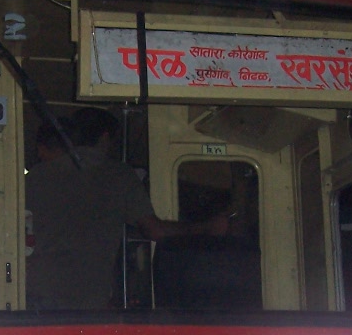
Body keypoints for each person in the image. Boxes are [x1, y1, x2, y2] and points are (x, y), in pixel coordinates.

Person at [25, 107, 226, 310]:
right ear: (105, 138)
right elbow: (155, 230)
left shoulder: (35, 176)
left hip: (35, 294)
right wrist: (207, 227)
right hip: (87, 299)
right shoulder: (118, 176)